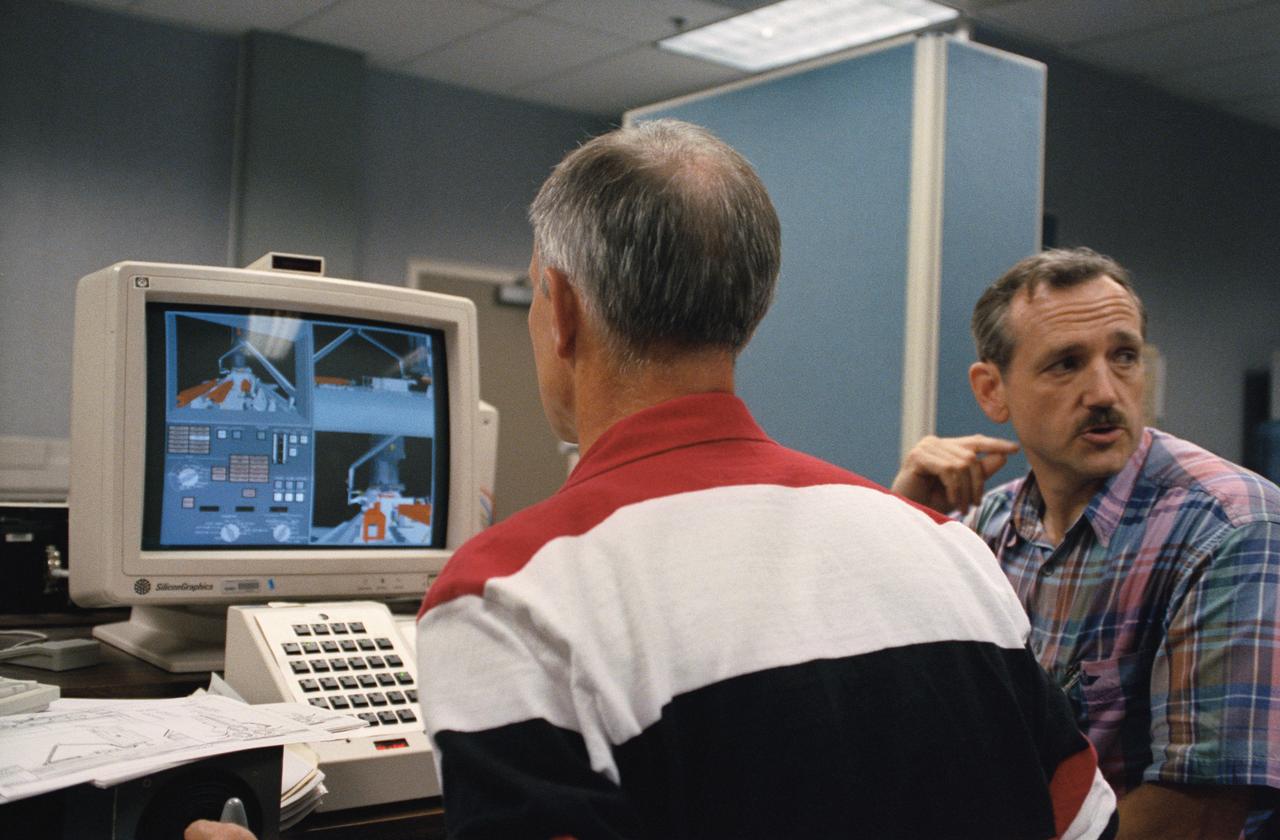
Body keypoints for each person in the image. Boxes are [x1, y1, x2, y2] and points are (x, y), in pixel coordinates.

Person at [188, 121, 1116, 840]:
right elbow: (1086, 822)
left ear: (558, 310)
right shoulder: (950, 550)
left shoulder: (507, 594)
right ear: (753, 309)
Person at [891, 247, 1280, 839]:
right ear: (993, 391)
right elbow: (915, 724)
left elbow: (1197, 819)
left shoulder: (1230, 526)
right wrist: (910, 522)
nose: (1104, 391)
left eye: (1123, 356)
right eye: (1066, 364)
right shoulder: (989, 526)